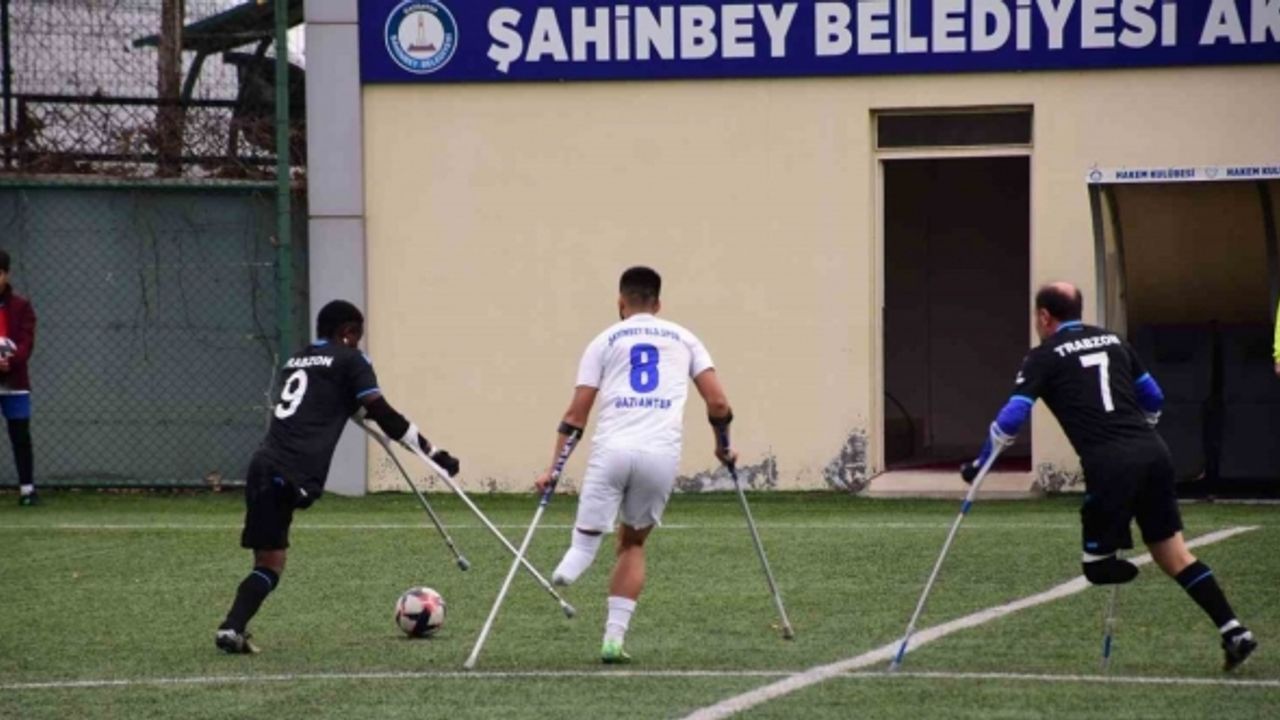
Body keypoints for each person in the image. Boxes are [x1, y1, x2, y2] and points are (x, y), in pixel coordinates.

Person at [962, 282, 1256, 671]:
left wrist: (980, 463)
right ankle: (1233, 630)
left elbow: (1013, 416)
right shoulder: (1115, 342)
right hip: (1154, 454)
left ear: (1044, 317)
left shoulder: (1043, 356)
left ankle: (1114, 557)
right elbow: (1154, 398)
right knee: (1174, 555)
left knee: (1097, 567)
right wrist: (1142, 431)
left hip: (1110, 463)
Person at [215, 300, 460, 654]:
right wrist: (434, 454)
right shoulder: (350, 360)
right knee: (272, 560)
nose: (358, 344)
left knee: (268, 561)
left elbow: (331, 400)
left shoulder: (296, 360)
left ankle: (231, 628)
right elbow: (381, 411)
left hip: (262, 465)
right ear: (347, 332)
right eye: (357, 336)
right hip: (293, 470)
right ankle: (232, 627)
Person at [537, 266, 735, 664]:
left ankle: (578, 555)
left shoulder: (604, 340)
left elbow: (576, 415)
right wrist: (723, 446)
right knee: (632, 543)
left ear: (620, 303)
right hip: (659, 456)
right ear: (658, 304)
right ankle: (613, 638)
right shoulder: (685, 338)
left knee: (589, 537)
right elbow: (718, 404)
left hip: (612, 450)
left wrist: (553, 471)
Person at [0, 250, 37, 507]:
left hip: (14, 382)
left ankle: (27, 490)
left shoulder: (21, 306)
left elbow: (26, 343)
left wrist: (9, 361)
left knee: (20, 435)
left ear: (6, 274)